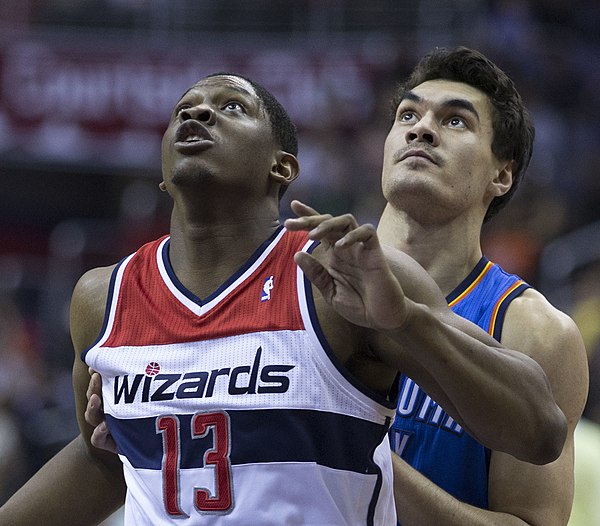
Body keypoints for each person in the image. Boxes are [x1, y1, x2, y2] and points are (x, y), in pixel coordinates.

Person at [0, 71, 566, 526]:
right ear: (163, 173)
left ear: (283, 167)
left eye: (231, 108)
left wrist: (408, 322)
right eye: (183, 110)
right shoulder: (102, 297)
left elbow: (540, 431)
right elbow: (102, 459)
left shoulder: (338, 274)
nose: (196, 113)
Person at [377, 48, 588, 525]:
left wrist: (371, 466)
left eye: (456, 122)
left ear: (502, 173)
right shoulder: (296, 280)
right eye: (407, 114)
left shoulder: (534, 332)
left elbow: (531, 521)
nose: (421, 128)